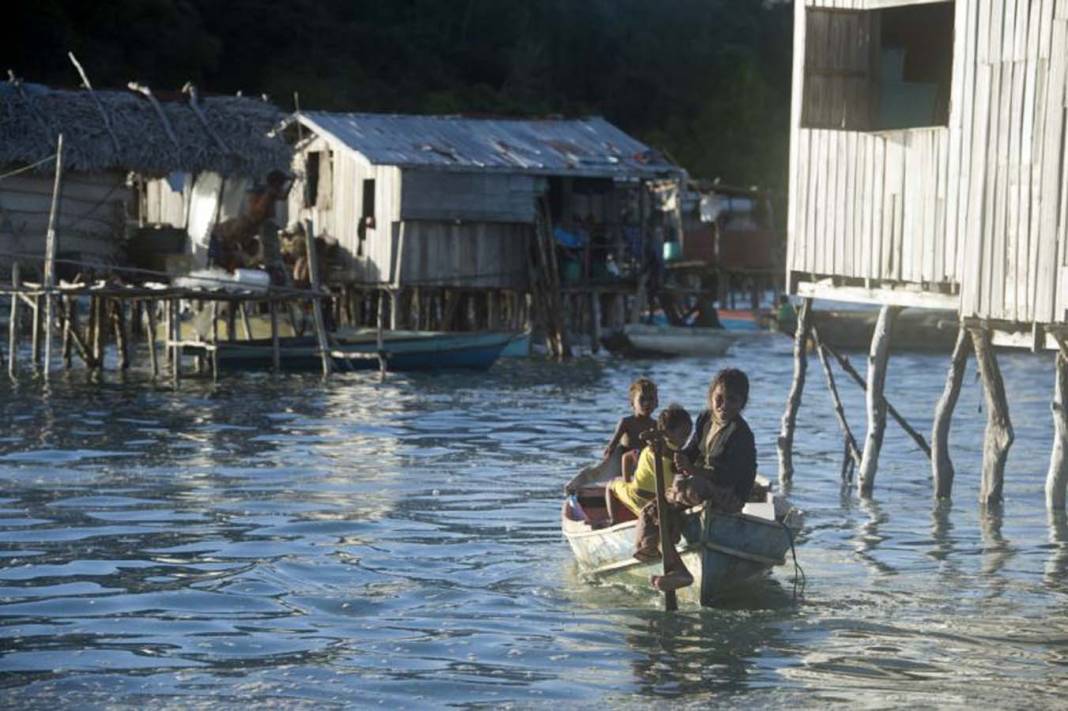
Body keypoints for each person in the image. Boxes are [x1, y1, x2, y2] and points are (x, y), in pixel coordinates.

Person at [642, 368, 757, 592]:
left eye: (732, 400)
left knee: (687, 487)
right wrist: (666, 451)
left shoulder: (741, 434)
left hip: (729, 494)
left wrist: (692, 470)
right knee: (654, 508)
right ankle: (677, 568)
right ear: (711, 396)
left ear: (742, 403)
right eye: (719, 399)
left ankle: (671, 549)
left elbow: (728, 476)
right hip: (699, 488)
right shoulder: (705, 418)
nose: (723, 406)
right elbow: (691, 451)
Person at [606, 404, 692, 532]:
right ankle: (615, 520)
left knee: (610, 485)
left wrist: (627, 480)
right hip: (656, 502)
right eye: (684, 434)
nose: (686, 438)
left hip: (641, 499)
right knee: (612, 485)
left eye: (688, 434)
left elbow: (626, 457)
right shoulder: (670, 450)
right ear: (667, 432)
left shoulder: (651, 447)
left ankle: (613, 519)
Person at [603, 376, 659, 473]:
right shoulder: (626, 422)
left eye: (651, 399)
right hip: (626, 468)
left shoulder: (656, 425)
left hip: (645, 467)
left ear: (657, 403)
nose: (647, 403)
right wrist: (605, 467)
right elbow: (611, 448)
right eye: (642, 399)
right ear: (632, 403)